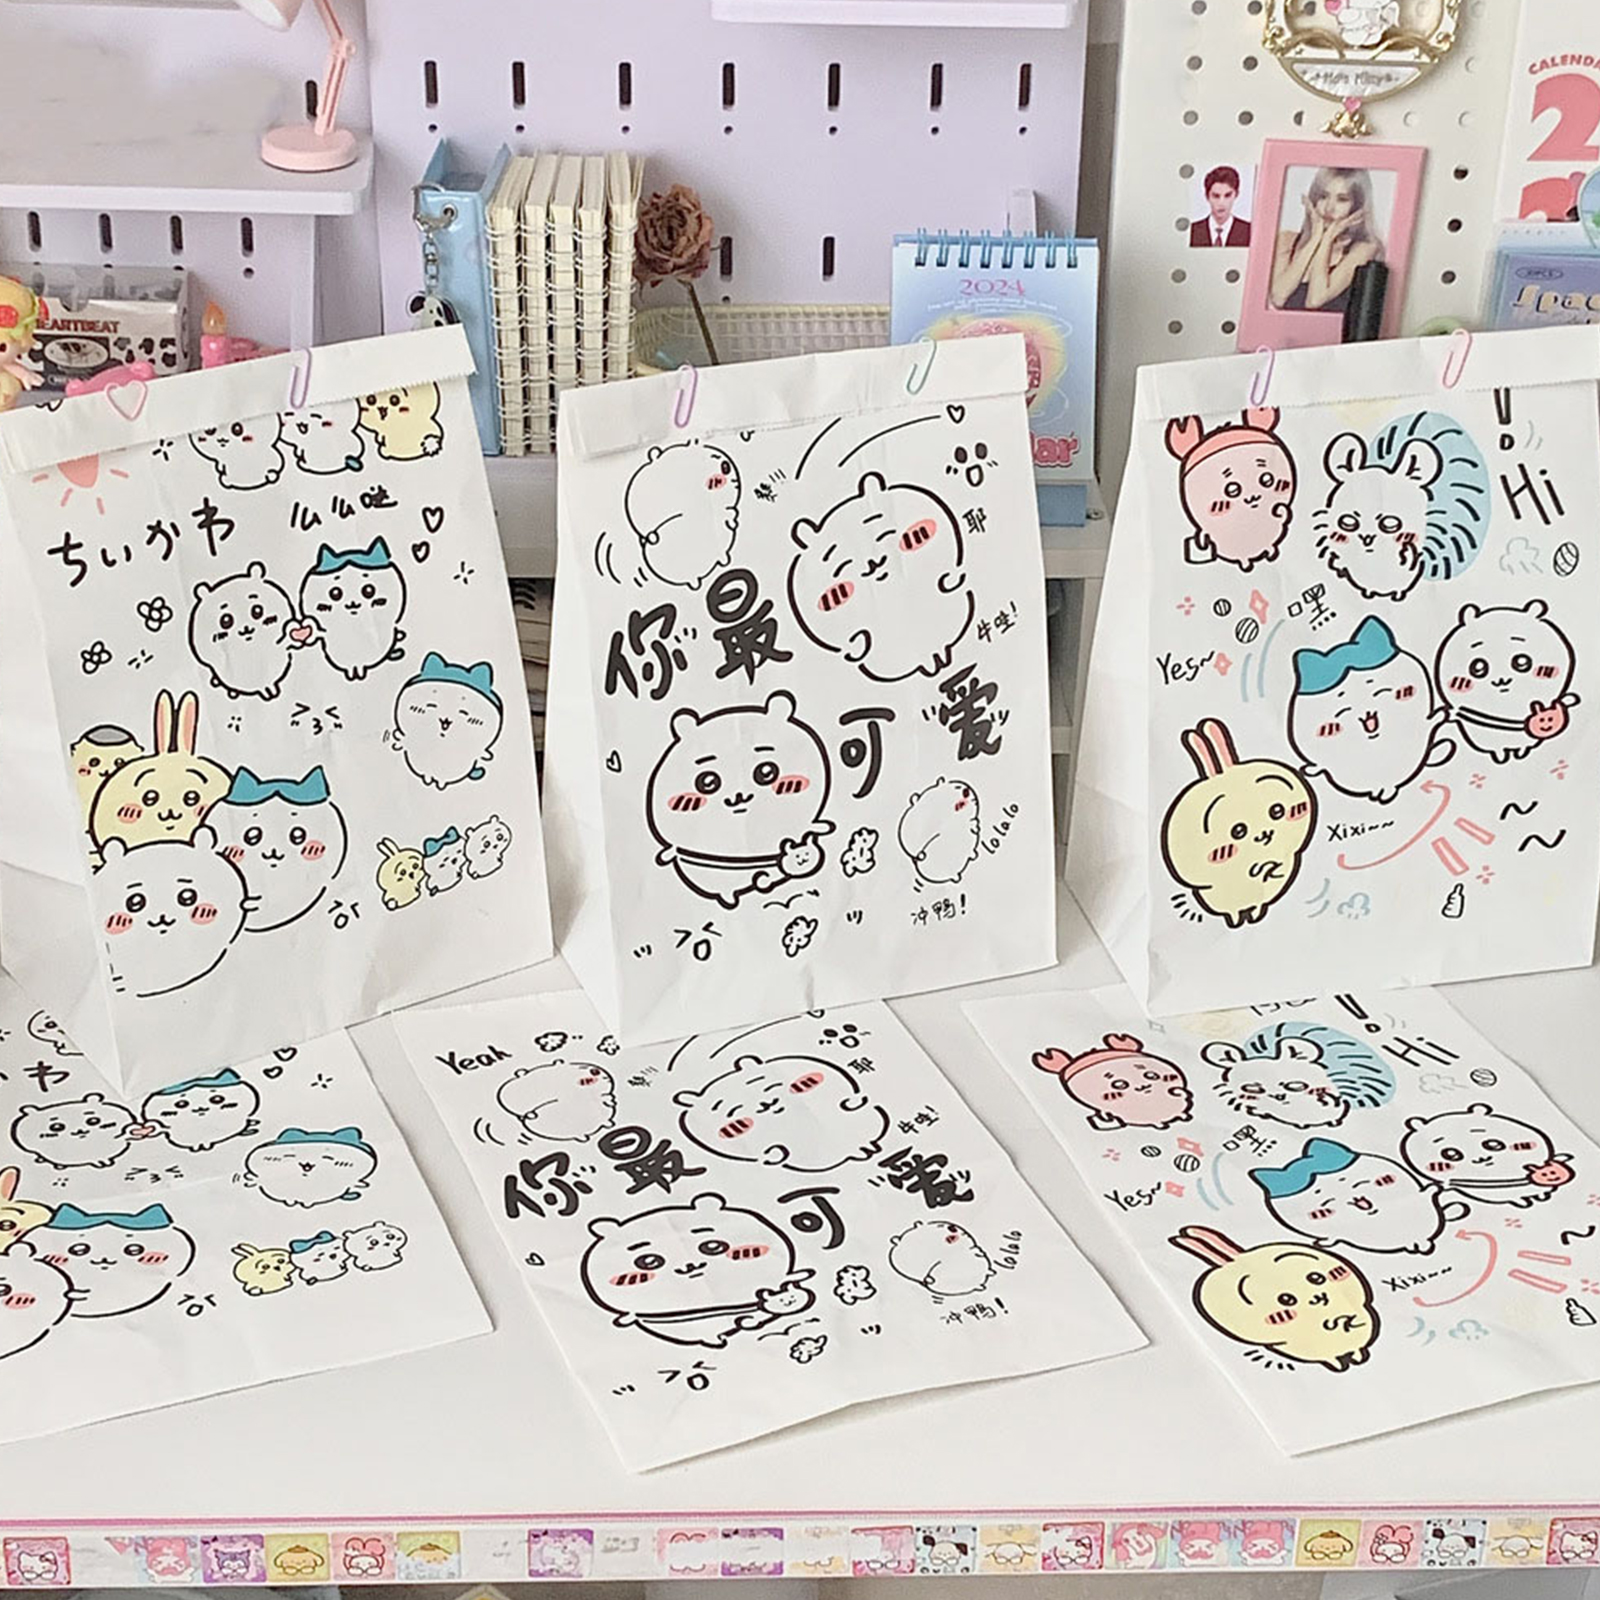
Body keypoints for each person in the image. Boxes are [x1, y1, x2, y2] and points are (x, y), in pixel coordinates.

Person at [1270, 166, 1383, 314]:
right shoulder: (1286, 240)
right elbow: (1278, 297)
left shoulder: (1365, 249)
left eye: (1342, 199)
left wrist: (1327, 239)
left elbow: (1315, 300)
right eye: (1323, 196)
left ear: (1357, 207)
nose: (1329, 208)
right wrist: (1315, 238)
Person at [1191, 166, 1251, 248]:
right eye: (1216, 196)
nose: (1221, 203)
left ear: (1236, 194)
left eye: (1227, 195)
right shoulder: (1193, 231)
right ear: (1207, 196)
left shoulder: (1249, 231)